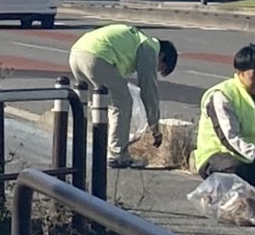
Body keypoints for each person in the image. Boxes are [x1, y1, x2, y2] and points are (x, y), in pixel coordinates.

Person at [193, 44, 255, 202]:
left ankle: (252, 202)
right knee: (236, 169)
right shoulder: (222, 96)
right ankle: (221, 197)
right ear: (239, 73)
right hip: (218, 158)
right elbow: (229, 139)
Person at [69, 24, 178, 169]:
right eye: (160, 68)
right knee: (122, 102)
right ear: (162, 56)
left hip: (77, 52)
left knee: (98, 103)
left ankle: (99, 148)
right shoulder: (150, 48)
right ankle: (117, 156)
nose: (156, 70)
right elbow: (148, 89)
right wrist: (154, 126)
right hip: (97, 56)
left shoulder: (138, 39)